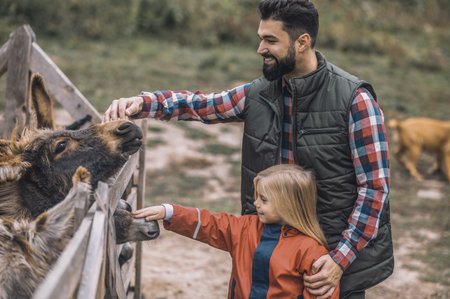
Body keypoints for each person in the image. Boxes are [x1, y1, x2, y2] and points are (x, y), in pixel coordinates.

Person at [102, 0, 393, 298]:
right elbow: (203, 105)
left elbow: (374, 189)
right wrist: (145, 103)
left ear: (302, 42)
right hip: (266, 254)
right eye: (260, 38)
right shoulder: (259, 93)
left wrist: (338, 260)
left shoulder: (355, 100)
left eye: (270, 40)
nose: (260, 49)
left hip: (327, 262)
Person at [133, 164, 340, 299]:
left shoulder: (310, 251)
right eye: (257, 196)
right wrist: (169, 212)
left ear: (288, 205)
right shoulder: (245, 228)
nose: (256, 203)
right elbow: (210, 223)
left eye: (264, 199)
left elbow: (322, 295)